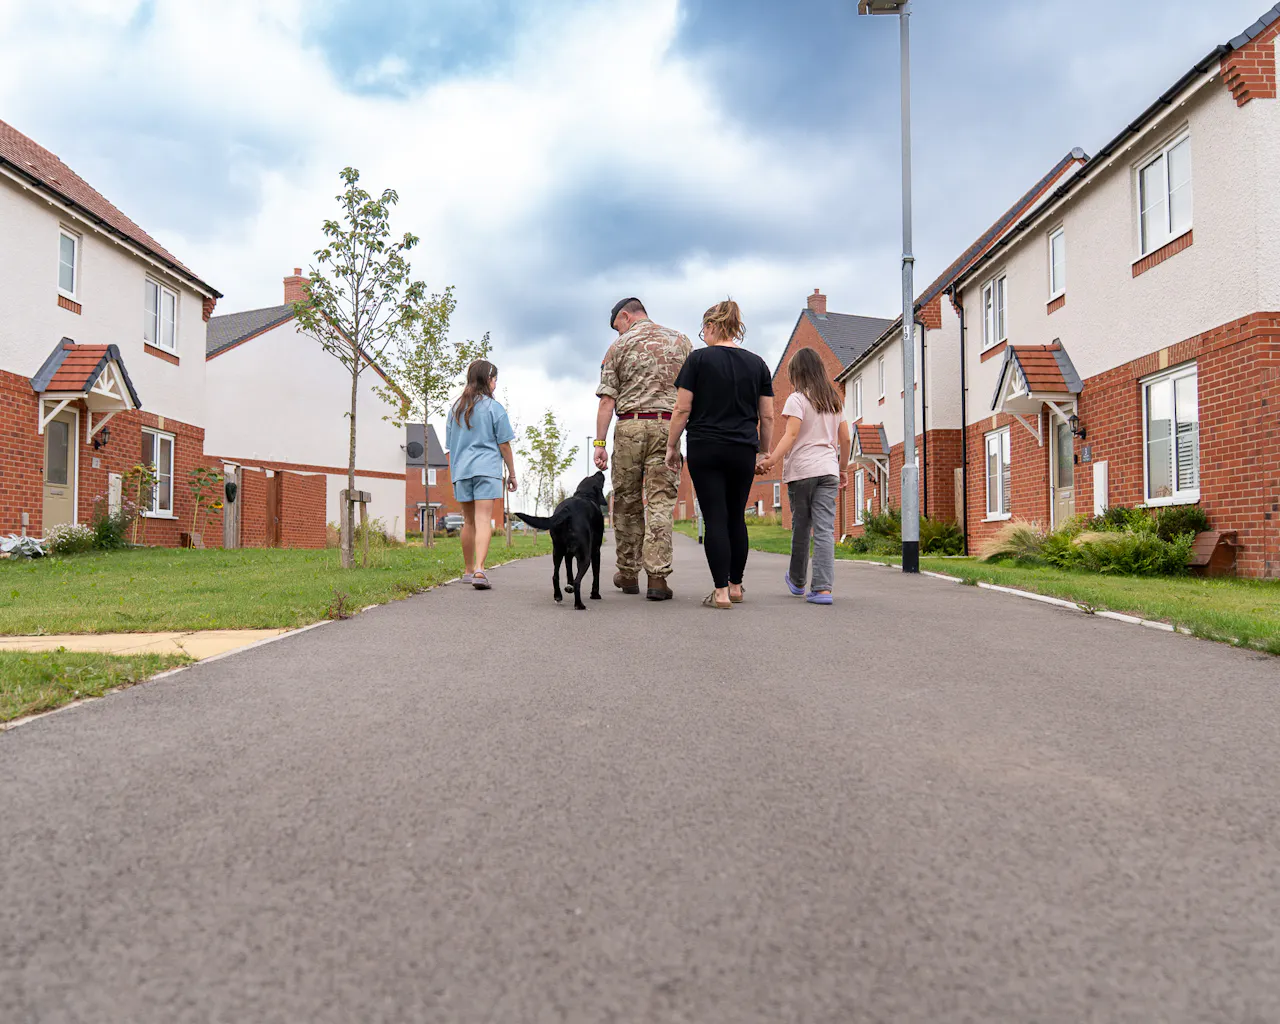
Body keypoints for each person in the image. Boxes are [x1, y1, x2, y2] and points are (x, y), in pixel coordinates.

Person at [664, 299, 774, 610]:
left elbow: (682, 408)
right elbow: (767, 416)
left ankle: (720, 592)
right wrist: (763, 450)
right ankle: (736, 586)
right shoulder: (758, 364)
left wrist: (672, 446)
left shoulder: (698, 361)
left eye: (704, 331)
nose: (704, 336)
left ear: (712, 326)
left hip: (706, 447)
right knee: (736, 516)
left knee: (715, 518)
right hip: (742, 448)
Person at [594, 297, 693, 601]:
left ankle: (627, 573)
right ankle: (658, 579)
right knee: (661, 503)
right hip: (668, 427)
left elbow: (607, 400)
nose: (618, 333)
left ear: (625, 316)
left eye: (617, 327)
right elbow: (692, 394)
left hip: (630, 428)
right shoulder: (681, 342)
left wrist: (599, 443)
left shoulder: (618, 348)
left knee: (625, 501)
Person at [756, 347, 851, 605]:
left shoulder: (797, 399)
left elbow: (791, 434)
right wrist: (842, 469)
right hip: (828, 470)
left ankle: (798, 582)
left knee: (801, 527)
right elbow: (845, 438)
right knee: (824, 529)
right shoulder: (834, 400)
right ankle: (822, 589)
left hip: (803, 472)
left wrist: (771, 460)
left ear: (797, 374)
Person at [445, 359, 518, 590]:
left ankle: (467, 571)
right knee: (483, 519)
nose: (495, 384)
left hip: (462, 470)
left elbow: (451, 445)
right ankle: (479, 569)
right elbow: (504, 445)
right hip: (487, 469)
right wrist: (512, 474)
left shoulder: (455, 409)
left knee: (468, 521)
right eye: (495, 379)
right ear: (487, 380)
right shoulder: (494, 408)